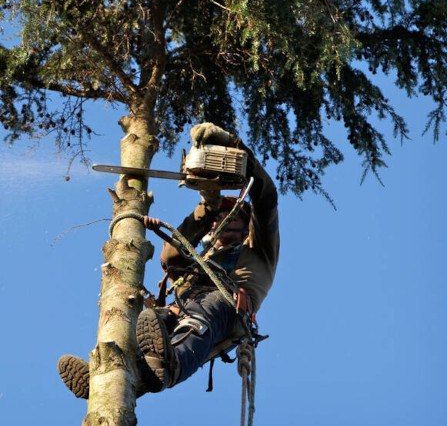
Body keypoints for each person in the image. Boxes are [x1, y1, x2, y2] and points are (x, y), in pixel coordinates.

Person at [57, 122, 280, 398]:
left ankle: (169, 368)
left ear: (245, 222)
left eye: (228, 215)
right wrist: (208, 205)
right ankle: (109, 377)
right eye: (217, 218)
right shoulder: (204, 259)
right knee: (149, 334)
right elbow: (171, 258)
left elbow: (266, 198)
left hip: (223, 306)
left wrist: (236, 148)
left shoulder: (259, 250)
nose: (221, 221)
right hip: (182, 305)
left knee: (194, 326)